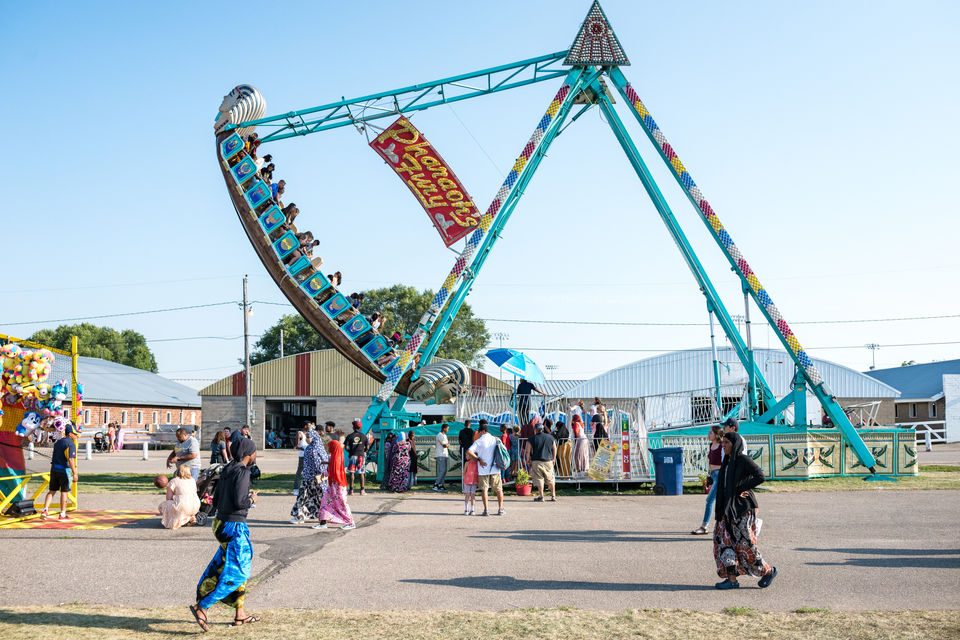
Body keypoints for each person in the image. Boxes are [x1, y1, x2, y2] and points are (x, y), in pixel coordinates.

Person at [191, 437, 261, 631]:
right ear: (248, 454)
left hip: (220, 523)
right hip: (233, 526)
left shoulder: (227, 469)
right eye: (254, 451)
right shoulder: (243, 472)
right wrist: (252, 499)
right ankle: (202, 607)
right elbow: (240, 502)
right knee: (239, 572)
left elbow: (217, 498)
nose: (255, 455)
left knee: (228, 567)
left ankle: (240, 615)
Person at [712, 431, 778, 590]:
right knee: (723, 543)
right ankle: (732, 579)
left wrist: (741, 487)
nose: (723, 446)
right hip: (726, 511)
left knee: (745, 545)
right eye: (723, 443)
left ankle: (768, 571)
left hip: (741, 510)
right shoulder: (727, 462)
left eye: (727, 443)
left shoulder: (742, 460)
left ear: (735, 445)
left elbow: (759, 476)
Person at [315, 430, 356, 531]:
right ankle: (323, 522)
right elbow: (331, 470)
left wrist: (326, 475)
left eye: (330, 447)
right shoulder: (334, 455)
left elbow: (335, 472)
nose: (329, 448)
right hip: (332, 486)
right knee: (325, 502)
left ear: (334, 447)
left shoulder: (337, 458)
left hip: (338, 486)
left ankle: (350, 522)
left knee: (342, 504)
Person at [40, 422, 79, 521]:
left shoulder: (58, 442)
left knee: (52, 490)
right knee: (64, 492)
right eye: (75, 434)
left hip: (54, 469)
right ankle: (62, 514)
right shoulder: (71, 444)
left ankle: (45, 510)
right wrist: (75, 473)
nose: (76, 435)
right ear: (70, 434)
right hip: (64, 471)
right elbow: (70, 459)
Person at [290, 427, 329, 524]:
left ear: (314, 437)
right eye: (307, 436)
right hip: (317, 478)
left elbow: (319, 463)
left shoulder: (314, 449)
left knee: (303, 496)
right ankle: (315, 514)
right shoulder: (317, 447)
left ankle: (300, 517)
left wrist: (320, 473)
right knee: (316, 497)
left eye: (309, 437)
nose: (307, 439)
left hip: (310, 477)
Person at [692, 424, 724, 535]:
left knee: (709, 500)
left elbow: (724, 463)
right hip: (713, 474)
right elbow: (710, 462)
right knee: (720, 501)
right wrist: (709, 475)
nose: (708, 434)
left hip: (720, 475)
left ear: (717, 434)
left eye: (711, 433)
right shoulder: (711, 445)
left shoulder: (722, 446)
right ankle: (722, 526)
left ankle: (704, 526)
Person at [467, 423, 504, 516]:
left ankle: (486, 510)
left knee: (484, 489)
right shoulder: (496, 439)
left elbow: (469, 451)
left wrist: (479, 459)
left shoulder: (479, 441)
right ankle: (500, 509)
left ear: (483, 431)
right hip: (495, 468)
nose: (478, 434)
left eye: (479, 432)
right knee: (499, 489)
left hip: (483, 469)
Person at [159, 465, 201, 529]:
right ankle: (189, 518)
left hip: (183, 507)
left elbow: (168, 498)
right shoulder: (192, 480)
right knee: (181, 505)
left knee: (164, 505)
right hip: (196, 506)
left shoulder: (174, 481)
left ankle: (176, 521)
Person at [525, 421, 557, 502]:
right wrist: (554, 459)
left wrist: (528, 460)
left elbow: (527, 451)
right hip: (548, 461)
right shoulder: (550, 437)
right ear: (543, 429)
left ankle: (541, 496)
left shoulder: (531, 439)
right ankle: (553, 495)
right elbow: (554, 448)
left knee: (539, 479)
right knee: (550, 478)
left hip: (536, 461)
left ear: (535, 430)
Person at [344, 420, 368, 495]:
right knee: (361, 473)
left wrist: (350, 452)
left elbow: (346, 447)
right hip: (361, 456)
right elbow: (367, 447)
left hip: (352, 456)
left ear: (354, 427)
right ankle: (362, 490)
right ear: (360, 428)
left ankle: (351, 490)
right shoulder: (364, 436)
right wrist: (363, 451)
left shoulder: (350, 436)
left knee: (352, 473)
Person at [462, 430, 479, 515]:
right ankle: (466, 509)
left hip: (474, 481)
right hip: (467, 481)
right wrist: (464, 479)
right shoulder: (467, 463)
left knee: (473, 495)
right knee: (467, 495)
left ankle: (472, 509)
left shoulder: (476, 463)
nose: (466, 456)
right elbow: (464, 472)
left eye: (467, 454)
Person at [293, 422, 312, 496]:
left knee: (308, 472)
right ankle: (295, 488)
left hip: (309, 455)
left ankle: (306, 488)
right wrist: (303, 448)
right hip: (302, 455)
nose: (310, 426)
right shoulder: (300, 433)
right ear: (305, 426)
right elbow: (296, 446)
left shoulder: (309, 433)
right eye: (309, 425)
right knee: (299, 472)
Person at [432, 423, 450, 492]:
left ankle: (441, 485)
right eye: (447, 428)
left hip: (444, 455)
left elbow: (446, 444)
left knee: (443, 471)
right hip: (440, 455)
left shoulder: (444, 435)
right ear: (444, 428)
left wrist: (447, 445)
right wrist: (447, 445)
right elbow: (445, 445)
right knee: (442, 470)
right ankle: (436, 484)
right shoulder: (440, 435)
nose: (448, 430)